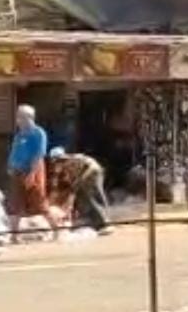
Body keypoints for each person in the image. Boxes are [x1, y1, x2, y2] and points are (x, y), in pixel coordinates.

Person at [7, 104, 53, 242]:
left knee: (40, 202)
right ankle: (14, 236)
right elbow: (14, 152)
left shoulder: (38, 133)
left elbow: (38, 155)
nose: (18, 120)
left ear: (29, 118)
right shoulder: (19, 135)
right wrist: (10, 166)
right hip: (18, 171)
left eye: (20, 117)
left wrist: (32, 174)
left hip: (33, 170)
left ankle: (57, 229)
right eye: (18, 117)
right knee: (15, 204)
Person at [47, 147, 112, 232]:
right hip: (84, 179)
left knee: (90, 198)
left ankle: (105, 223)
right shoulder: (63, 166)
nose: (58, 163)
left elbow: (92, 167)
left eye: (59, 160)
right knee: (82, 199)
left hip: (93, 174)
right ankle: (94, 221)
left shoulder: (76, 158)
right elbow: (67, 181)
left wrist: (80, 180)